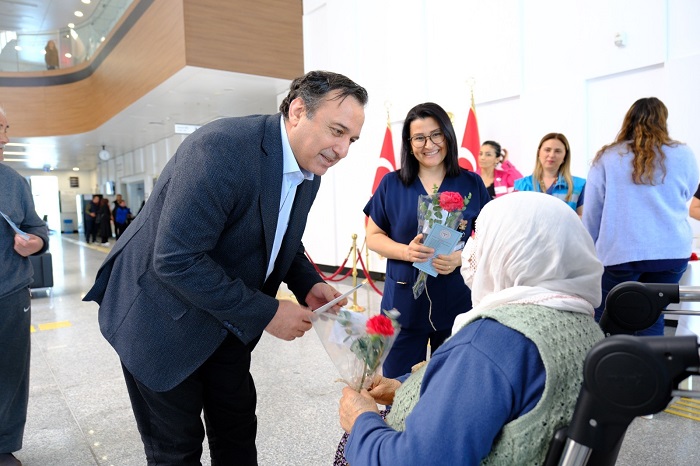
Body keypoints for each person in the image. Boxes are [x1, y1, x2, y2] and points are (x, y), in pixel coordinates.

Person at [83, 70, 368, 465]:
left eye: (351, 139)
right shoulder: (221, 149)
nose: (342, 150)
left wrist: (306, 283)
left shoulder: (309, 171)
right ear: (299, 111)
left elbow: (280, 232)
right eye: (337, 131)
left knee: (236, 430)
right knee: (176, 449)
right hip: (160, 320)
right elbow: (176, 258)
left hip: (226, 317)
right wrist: (268, 312)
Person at [338, 191, 604, 465]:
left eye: (480, 237)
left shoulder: (492, 340)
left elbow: (418, 460)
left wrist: (362, 422)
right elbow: (498, 396)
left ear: (510, 250)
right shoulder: (584, 326)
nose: (469, 251)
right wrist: (403, 388)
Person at [363, 102, 490, 379]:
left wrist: (460, 258)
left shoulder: (471, 183)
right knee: (397, 385)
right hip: (404, 302)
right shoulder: (392, 184)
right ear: (409, 144)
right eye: (419, 137)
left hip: (458, 301)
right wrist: (406, 252)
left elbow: (490, 236)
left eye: (436, 135)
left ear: (448, 136)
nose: (428, 144)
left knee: (454, 382)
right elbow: (373, 237)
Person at [583, 97, 698, 335]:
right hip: (671, 252)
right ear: (663, 120)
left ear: (628, 119)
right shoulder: (683, 154)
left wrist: (590, 251)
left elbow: (593, 211)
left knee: (610, 318)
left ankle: (607, 369)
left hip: (620, 254)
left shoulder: (608, 157)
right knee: (652, 315)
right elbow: (689, 190)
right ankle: (649, 371)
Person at [0, 106, 50, 466]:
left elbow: (37, 227)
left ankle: (3, 446)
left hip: (10, 291)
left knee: (11, 372)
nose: (5, 139)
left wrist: (36, 243)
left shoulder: (13, 181)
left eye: (6, 128)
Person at [514, 133, 586, 214]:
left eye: (558, 151)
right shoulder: (521, 185)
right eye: (547, 150)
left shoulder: (580, 185)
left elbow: (583, 219)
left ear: (565, 156)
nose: (551, 155)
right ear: (538, 153)